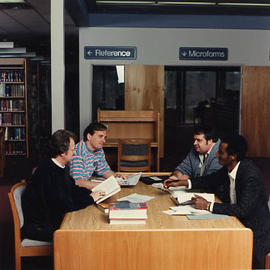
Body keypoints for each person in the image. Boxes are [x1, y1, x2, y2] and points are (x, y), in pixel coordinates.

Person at [164, 135, 270, 266]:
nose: (217, 155)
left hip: (254, 233)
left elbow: (242, 209)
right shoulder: (230, 167)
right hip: (235, 222)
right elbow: (210, 179)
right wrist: (183, 182)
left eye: (221, 152)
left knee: (216, 250)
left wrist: (208, 205)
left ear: (233, 156)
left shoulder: (250, 175)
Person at [21, 130, 105, 241]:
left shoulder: (61, 166)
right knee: (86, 233)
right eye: (73, 149)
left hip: (51, 219)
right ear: (62, 152)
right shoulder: (48, 171)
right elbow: (64, 205)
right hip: (41, 226)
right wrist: (90, 198)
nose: (75, 153)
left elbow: (73, 189)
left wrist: (94, 194)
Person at [69, 122, 125, 189]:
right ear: (89, 136)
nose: (104, 141)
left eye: (105, 137)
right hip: (74, 190)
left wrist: (117, 177)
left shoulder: (98, 149)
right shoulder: (78, 152)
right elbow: (78, 182)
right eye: (100, 136)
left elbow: (104, 170)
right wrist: (107, 185)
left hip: (85, 186)